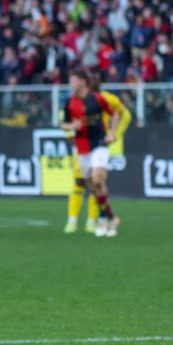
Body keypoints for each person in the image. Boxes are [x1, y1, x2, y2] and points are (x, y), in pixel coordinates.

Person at [64, 75, 133, 234]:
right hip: (82, 146)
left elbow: (123, 115)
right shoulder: (74, 100)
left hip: (98, 144)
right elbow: (66, 120)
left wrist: (114, 135)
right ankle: (98, 218)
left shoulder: (105, 98)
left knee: (94, 181)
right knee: (89, 183)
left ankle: (88, 221)